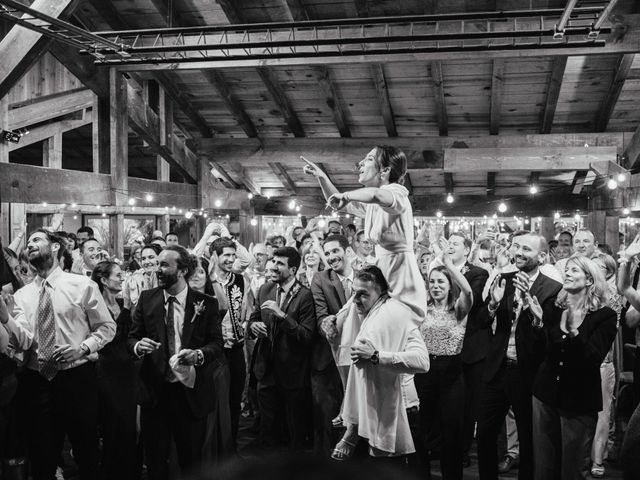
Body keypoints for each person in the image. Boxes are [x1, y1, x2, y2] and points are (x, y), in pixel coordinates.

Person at [0, 229, 115, 480]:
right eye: (28, 242)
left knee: (86, 454)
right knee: (42, 459)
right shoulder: (22, 295)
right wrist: (6, 317)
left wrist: (82, 348)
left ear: (54, 247)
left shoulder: (81, 285)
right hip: (36, 382)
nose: (30, 245)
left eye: (37, 240)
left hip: (76, 380)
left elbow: (107, 328)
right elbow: (23, 341)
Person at [128, 245, 223, 480]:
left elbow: (216, 344)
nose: (157, 269)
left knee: (191, 460)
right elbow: (131, 336)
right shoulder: (146, 298)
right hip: (155, 393)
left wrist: (198, 355)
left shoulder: (206, 303)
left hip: (190, 394)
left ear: (181, 270)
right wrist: (139, 346)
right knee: (155, 461)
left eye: (164, 265)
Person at [303, 146, 427, 321]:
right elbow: (337, 202)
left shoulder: (397, 193)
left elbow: (376, 195)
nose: (360, 162)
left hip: (401, 277)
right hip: (383, 274)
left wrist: (346, 195)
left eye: (369, 159)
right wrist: (322, 177)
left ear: (384, 171)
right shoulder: (371, 204)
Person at [476, 232, 562, 480]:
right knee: (484, 434)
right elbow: (481, 322)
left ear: (542, 256)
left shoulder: (552, 289)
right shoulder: (503, 279)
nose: (519, 253)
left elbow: (549, 339)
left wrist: (531, 312)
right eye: (517, 247)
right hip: (497, 367)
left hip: (528, 372)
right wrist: (492, 304)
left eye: (527, 249)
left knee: (528, 438)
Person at [531, 255, 617, 480]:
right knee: (544, 468)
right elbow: (543, 351)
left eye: (574, 270)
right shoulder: (553, 307)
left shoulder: (605, 316)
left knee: (572, 468)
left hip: (578, 400)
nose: (567, 273)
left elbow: (593, 357)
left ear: (589, 280)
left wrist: (574, 332)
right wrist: (539, 323)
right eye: (566, 269)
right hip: (545, 395)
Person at [333, 265, 429, 461]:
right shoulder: (370, 317)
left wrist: (377, 356)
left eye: (363, 294)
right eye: (354, 294)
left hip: (402, 411)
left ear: (382, 293)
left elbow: (422, 361)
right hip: (372, 413)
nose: (356, 300)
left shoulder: (396, 318)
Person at [416, 238, 473, 480]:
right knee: (422, 430)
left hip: (451, 374)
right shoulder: (422, 309)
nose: (436, 286)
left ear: (450, 286)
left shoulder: (459, 309)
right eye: (432, 282)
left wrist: (449, 266)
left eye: (441, 282)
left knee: (451, 431)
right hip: (425, 371)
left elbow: (469, 291)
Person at [248, 247, 316, 450]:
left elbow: (307, 336)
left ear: (293, 269)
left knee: (293, 430)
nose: (273, 267)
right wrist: (254, 326)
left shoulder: (305, 296)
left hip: (292, 374)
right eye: (273, 261)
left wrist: (283, 316)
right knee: (267, 430)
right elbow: (254, 317)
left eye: (280, 264)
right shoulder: (265, 289)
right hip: (265, 371)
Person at [91, 261, 138, 480]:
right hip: (104, 371)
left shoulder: (123, 302)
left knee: (129, 426)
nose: (122, 278)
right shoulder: (92, 305)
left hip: (127, 372)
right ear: (103, 280)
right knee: (110, 425)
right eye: (118, 275)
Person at [309, 234, 353, 455]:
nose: (331, 257)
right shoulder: (321, 278)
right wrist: (326, 323)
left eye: (335, 251)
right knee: (327, 418)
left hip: (359, 356)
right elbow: (320, 315)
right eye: (327, 253)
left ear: (347, 250)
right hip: (330, 356)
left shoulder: (364, 275)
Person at [210, 237, 246, 448]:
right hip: (214, 350)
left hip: (235, 348)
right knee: (215, 402)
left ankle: (231, 446)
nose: (231, 259)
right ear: (215, 256)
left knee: (234, 400)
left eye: (233, 255)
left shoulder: (239, 279)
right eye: (226, 255)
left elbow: (243, 309)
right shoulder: (205, 280)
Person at [123, 244, 161, 310]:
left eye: (151, 257)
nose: (146, 262)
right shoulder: (134, 279)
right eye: (143, 259)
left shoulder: (165, 278)